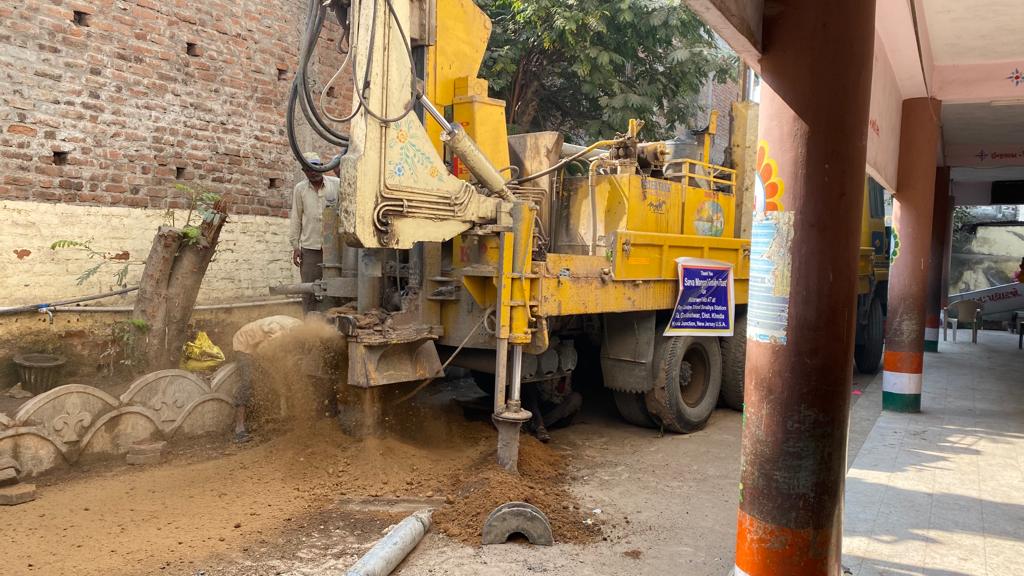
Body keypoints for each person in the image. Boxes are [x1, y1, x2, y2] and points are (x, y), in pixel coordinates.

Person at [231, 315, 304, 442]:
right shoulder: (277, 331)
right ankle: (239, 429)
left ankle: (274, 416)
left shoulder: (298, 326)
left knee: (277, 376)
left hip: (257, 343)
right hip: (244, 345)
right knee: (248, 382)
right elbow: (263, 351)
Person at [289, 152, 341, 314]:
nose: (313, 171)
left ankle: (331, 322)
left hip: (334, 248)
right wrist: (295, 246)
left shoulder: (336, 184)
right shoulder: (300, 189)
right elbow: (296, 217)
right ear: (304, 171)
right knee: (309, 289)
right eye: (308, 169)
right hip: (310, 247)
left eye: (315, 167)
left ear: (322, 166)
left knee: (333, 288)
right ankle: (309, 323)